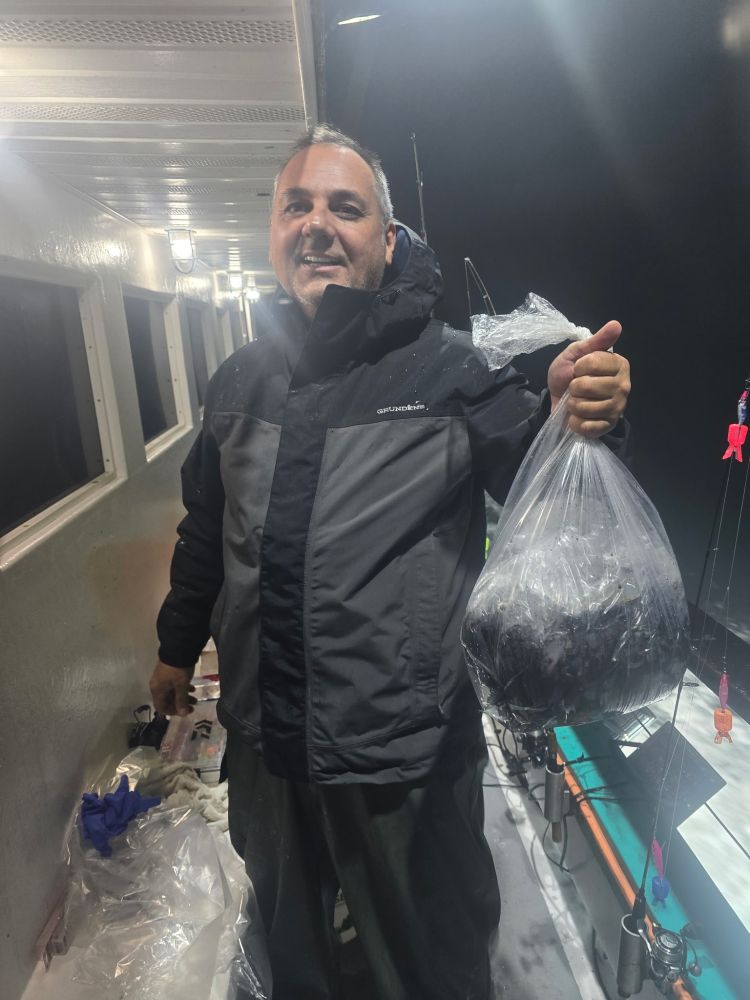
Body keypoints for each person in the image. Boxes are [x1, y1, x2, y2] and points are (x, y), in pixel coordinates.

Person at [150, 124, 630, 1000]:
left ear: (387, 239)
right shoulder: (238, 381)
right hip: (267, 751)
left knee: (427, 968)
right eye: (296, 205)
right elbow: (204, 533)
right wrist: (175, 646)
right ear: (272, 232)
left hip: (401, 759)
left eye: (346, 207)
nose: (317, 225)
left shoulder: (451, 371)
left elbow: (536, 476)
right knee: (294, 960)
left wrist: (574, 414)